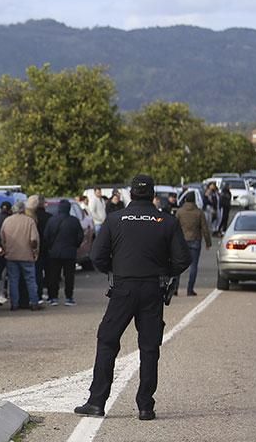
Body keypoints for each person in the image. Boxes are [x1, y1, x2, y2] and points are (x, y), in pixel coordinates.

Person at [74, 174, 190, 421]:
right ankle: (145, 406)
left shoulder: (115, 220)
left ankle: (97, 402)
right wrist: (164, 273)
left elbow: (97, 256)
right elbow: (182, 259)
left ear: (131, 194)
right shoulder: (166, 221)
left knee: (107, 341)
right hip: (153, 289)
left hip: (123, 288)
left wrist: (114, 270)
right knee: (149, 348)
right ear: (152, 194)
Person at [0, 200, 42, 311]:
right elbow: (34, 239)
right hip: (27, 255)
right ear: (23, 209)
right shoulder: (30, 221)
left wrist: (6, 249)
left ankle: (14, 304)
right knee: (31, 280)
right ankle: (34, 302)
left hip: (11, 255)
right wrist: (35, 251)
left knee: (13, 281)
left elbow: (2, 238)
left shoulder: (7, 221)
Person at [43, 199, 83, 306]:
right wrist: (75, 245)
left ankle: (53, 297)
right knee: (69, 276)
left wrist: (50, 247)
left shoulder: (52, 220)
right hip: (70, 252)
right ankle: (69, 297)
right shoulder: (74, 221)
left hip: (54, 253)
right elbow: (80, 236)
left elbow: (46, 236)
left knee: (54, 276)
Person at [176, 191, 212, 296]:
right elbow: (205, 228)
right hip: (195, 240)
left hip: (182, 241)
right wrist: (208, 242)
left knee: (178, 265)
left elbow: (174, 227)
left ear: (186, 199)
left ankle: (175, 288)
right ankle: (190, 289)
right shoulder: (199, 212)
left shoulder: (180, 212)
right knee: (193, 266)